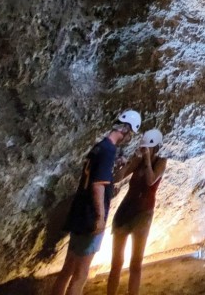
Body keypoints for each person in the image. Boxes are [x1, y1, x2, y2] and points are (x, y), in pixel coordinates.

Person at [50, 110, 141, 295]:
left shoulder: (99, 148)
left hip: (79, 214)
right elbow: (98, 186)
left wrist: (115, 169)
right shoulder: (109, 151)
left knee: (68, 269)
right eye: (130, 133)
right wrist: (100, 218)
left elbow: (100, 180)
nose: (129, 137)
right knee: (80, 274)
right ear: (125, 129)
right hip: (90, 217)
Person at [106, 129, 167, 295]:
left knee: (136, 263)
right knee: (116, 262)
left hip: (143, 214)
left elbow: (150, 180)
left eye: (147, 146)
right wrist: (123, 165)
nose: (144, 148)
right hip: (126, 211)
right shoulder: (138, 160)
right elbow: (118, 178)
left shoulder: (161, 162)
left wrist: (147, 159)